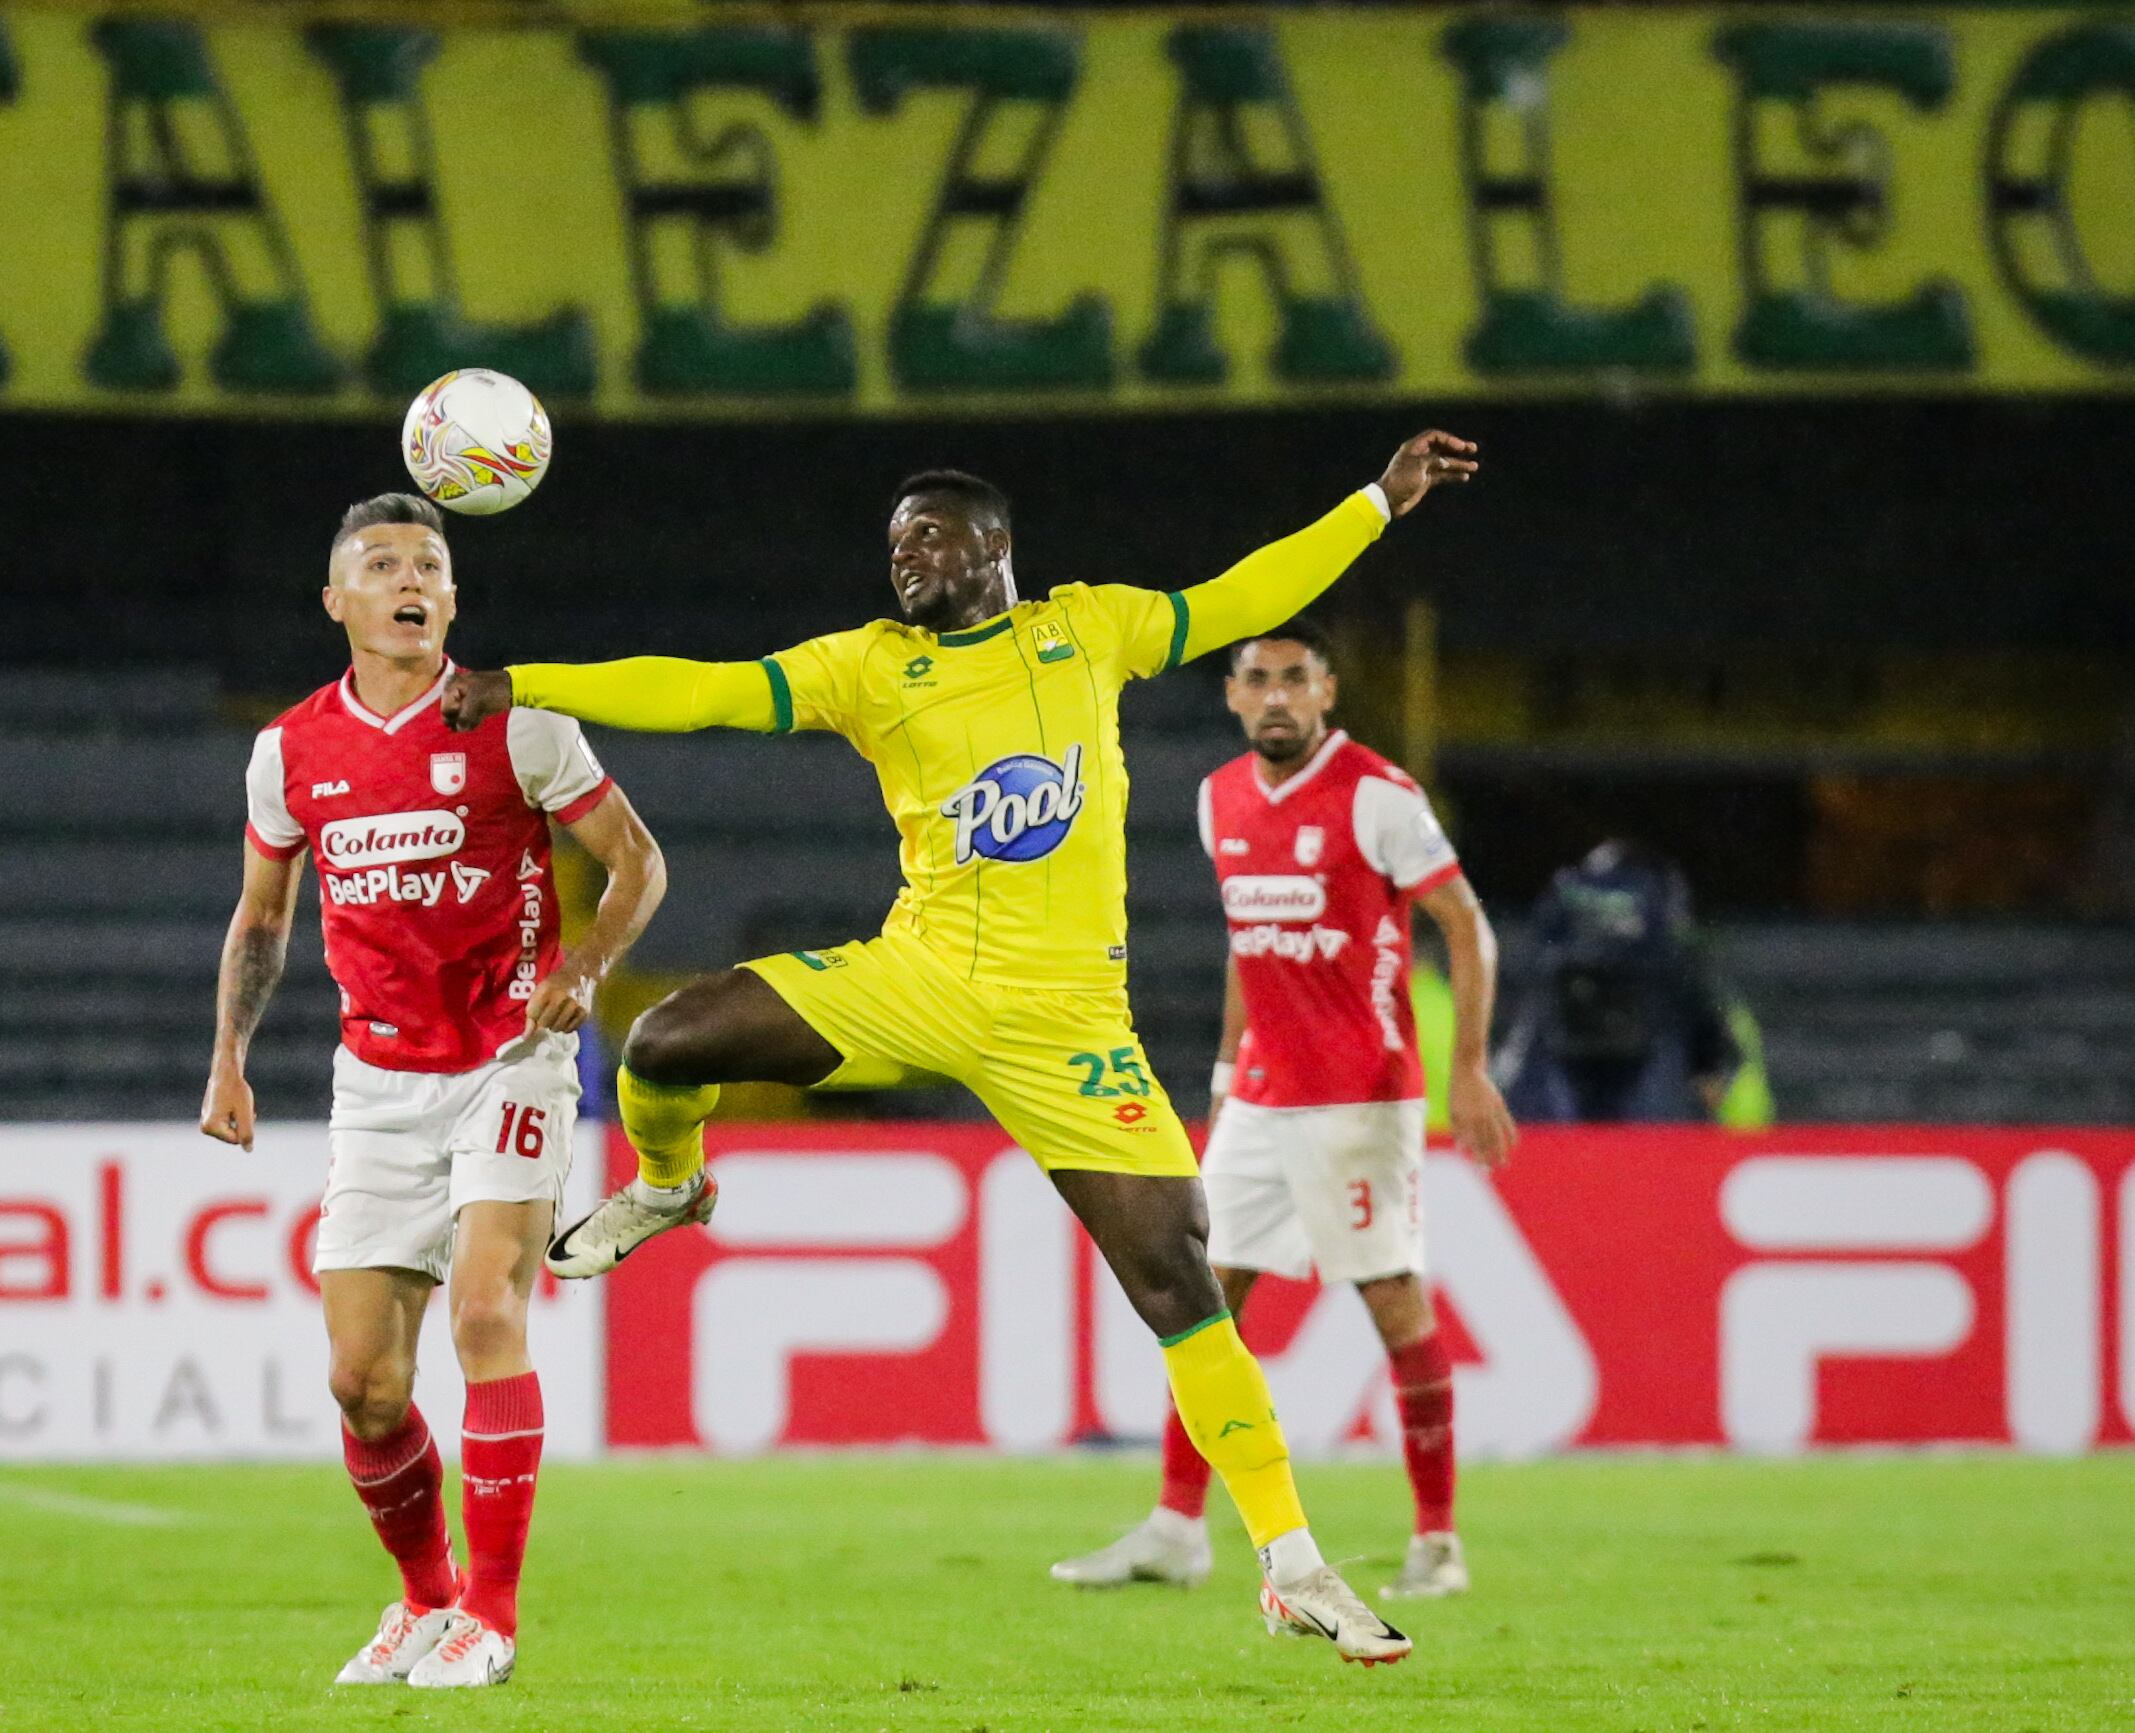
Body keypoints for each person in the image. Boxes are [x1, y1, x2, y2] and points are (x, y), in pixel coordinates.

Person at [446, 431, 1482, 1666]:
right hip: (921, 975)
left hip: (1069, 1021)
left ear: (993, 545)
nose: (905, 561)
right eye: (892, 546)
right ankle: (672, 1183)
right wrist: (526, 679)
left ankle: (1291, 1563)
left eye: (929, 537)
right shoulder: (869, 667)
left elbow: (1242, 596)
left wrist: (1375, 499)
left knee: (1178, 1278)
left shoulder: (1088, 629)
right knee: (666, 1041)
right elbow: (707, 686)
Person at [199, 493, 666, 1691]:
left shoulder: (521, 730)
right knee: (363, 1380)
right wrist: (229, 1059)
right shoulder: (289, 752)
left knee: (484, 1312)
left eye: (430, 563)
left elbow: (637, 862)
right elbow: (262, 918)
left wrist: (586, 968)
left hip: (511, 1058)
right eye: (382, 562)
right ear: (337, 601)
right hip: (378, 1082)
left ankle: (493, 1620)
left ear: (451, 599)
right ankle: (425, 1598)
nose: (410, 579)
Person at [1051, 619, 1516, 1602]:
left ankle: (1437, 1540)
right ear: (1231, 695)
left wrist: (1468, 1068)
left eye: (1293, 679)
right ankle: (1177, 1526)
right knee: (1199, 1303)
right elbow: (1246, 941)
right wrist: (1223, 1082)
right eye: (1255, 679)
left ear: (1326, 691)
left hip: (1359, 1095)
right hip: (1259, 1097)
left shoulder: (1379, 795)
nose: (1274, 695)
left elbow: (1464, 922)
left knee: (1392, 1303)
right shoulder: (1217, 797)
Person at [1496, 839, 1741, 1123]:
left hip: (1554, 1108)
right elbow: (1713, 1055)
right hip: (1651, 1111)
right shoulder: (1662, 915)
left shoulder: (1561, 907)